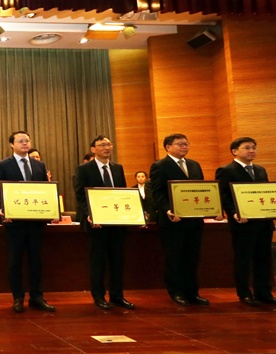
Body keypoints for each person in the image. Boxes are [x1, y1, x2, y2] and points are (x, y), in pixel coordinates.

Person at [0, 130, 57, 313]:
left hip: (36, 222)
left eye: (27, 140)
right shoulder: (3, 165)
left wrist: (52, 210)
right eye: (20, 141)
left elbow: (45, 190)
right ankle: (18, 297)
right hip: (14, 222)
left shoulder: (39, 165)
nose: (25, 143)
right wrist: (2, 208)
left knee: (36, 260)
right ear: (12, 144)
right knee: (15, 261)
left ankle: (37, 296)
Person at [216, 137, 276, 306]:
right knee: (243, 259)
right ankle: (244, 293)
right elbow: (223, 195)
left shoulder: (260, 170)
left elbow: (267, 193)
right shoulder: (226, 170)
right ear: (234, 151)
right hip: (243, 223)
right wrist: (234, 213)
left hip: (264, 223)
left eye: (254, 148)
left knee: (264, 258)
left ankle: (264, 293)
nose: (252, 151)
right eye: (247, 148)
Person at [73, 135, 134, 310]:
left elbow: (122, 193)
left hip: (117, 222)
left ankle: (117, 296)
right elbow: (80, 195)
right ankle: (99, 296)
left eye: (108, 144)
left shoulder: (117, 168)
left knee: (117, 260)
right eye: (101, 145)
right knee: (98, 261)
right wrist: (90, 214)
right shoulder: (84, 169)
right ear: (93, 149)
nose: (106, 148)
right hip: (96, 223)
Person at [149, 133, 211, 307]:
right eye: (180, 144)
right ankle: (176, 292)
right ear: (168, 147)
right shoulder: (160, 166)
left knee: (192, 257)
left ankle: (193, 292)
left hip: (194, 220)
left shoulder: (194, 165)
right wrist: (168, 209)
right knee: (175, 258)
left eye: (186, 144)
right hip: (172, 221)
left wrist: (212, 209)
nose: (184, 147)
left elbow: (202, 190)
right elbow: (157, 192)